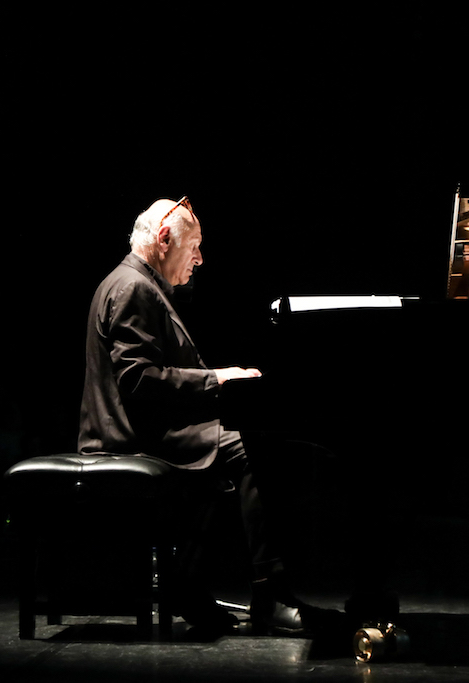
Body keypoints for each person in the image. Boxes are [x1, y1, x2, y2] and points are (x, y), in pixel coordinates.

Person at [78, 196, 348, 636]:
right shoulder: (132, 287)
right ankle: (271, 595)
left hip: (145, 428)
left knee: (237, 447)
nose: (200, 258)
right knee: (249, 448)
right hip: (130, 436)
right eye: (195, 246)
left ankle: (187, 585)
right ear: (164, 240)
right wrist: (219, 379)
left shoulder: (136, 283)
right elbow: (139, 379)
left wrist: (218, 381)